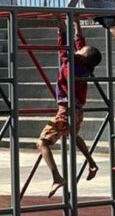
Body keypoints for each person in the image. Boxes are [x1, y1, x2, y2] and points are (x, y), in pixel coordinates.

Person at [35, 21, 103, 198]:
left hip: (67, 110)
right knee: (73, 136)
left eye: (78, 52)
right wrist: (77, 23)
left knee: (42, 143)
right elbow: (80, 43)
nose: (77, 50)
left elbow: (63, 47)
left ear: (80, 58)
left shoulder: (70, 67)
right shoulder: (86, 66)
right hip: (78, 110)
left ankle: (57, 177)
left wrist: (60, 25)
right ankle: (91, 162)